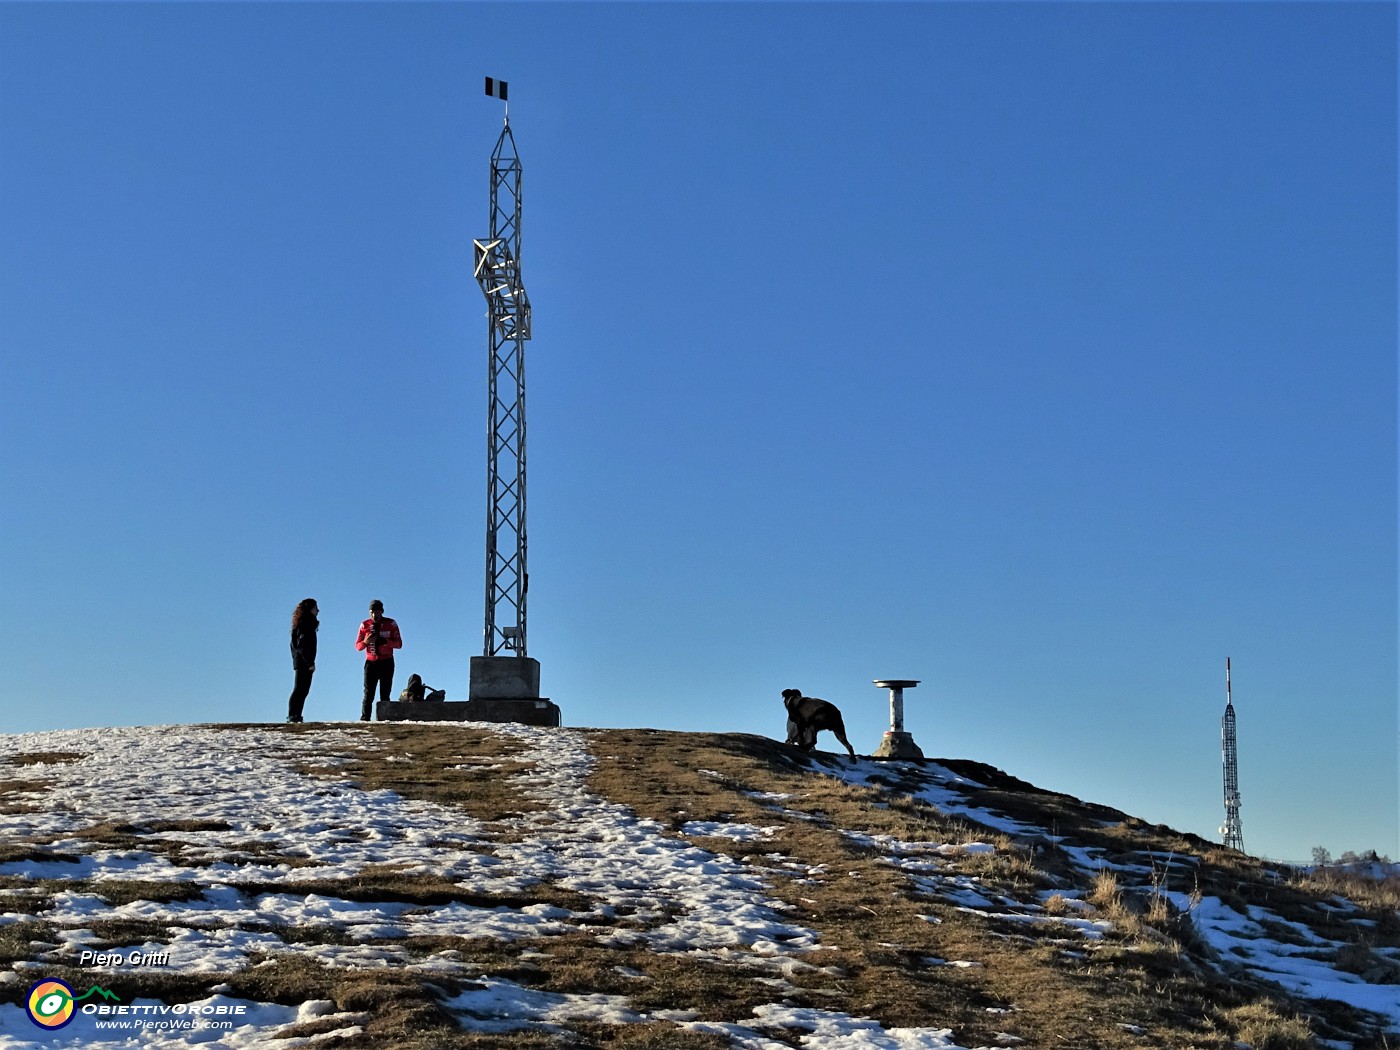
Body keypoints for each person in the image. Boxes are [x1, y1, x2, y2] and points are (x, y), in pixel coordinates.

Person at [356, 599, 402, 721]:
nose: (374, 615)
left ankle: (384, 718)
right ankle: (365, 718)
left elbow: (399, 644)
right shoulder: (364, 625)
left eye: (377, 612)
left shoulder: (391, 624)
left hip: (387, 661)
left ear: (382, 612)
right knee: (368, 692)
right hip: (371, 662)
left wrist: (386, 642)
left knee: (385, 692)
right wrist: (366, 642)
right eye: (372, 612)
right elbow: (358, 646)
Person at [287, 598, 319, 723]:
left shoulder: (304, 624)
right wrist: (309, 663)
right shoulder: (305, 625)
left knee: (303, 690)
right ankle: (293, 715)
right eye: (315, 608)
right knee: (300, 689)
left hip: (302, 661)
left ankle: (296, 715)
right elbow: (302, 646)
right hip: (303, 663)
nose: (317, 610)